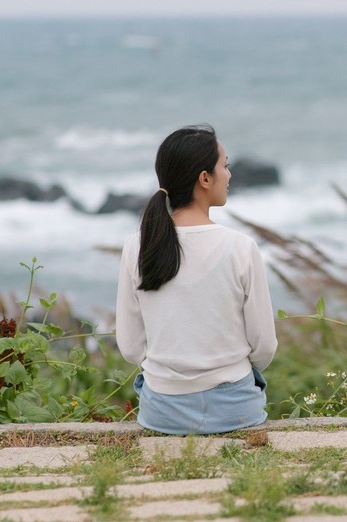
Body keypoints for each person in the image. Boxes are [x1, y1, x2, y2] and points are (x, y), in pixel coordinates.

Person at [115, 124, 277, 435]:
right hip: (235, 410)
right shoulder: (241, 247)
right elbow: (264, 346)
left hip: (163, 412)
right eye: (225, 166)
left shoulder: (137, 246)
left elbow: (131, 348)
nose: (229, 175)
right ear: (205, 178)